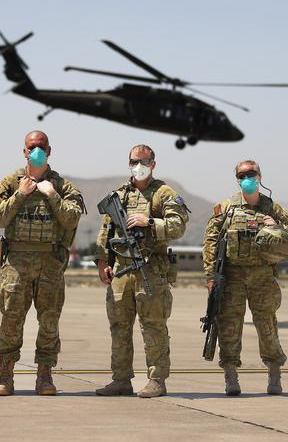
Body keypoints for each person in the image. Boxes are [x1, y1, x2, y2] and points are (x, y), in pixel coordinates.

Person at [0, 131, 83, 396]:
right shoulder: (10, 183)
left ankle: (45, 376)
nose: (36, 151)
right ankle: (5, 376)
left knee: (49, 321)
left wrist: (52, 195)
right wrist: (20, 194)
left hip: (50, 263)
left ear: (49, 150)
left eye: (41, 146)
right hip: (16, 263)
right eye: (32, 147)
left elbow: (72, 219)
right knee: (11, 320)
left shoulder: (63, 186)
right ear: (24, 151)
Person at [94, 144, 189, 398]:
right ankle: (121, 379)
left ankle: (157, 380)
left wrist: (149, 222)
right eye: (134, 161)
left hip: (151, 270)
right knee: (119, 327)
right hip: (121, 271)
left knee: (153, 326)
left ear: (153, 164)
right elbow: (106, 231)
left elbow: (178, 226)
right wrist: (103, 262)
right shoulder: (120, 195)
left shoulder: (164, 193)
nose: (139, 166)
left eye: (144, 161)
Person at [202, 160, 288, 396]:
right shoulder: (225, 208)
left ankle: (274, 374)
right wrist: (211, 276)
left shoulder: (274, 209)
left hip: (262, 278)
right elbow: (211, 243)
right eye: (242, 175)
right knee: (229, 327)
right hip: (231, 277)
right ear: (237, 178)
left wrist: (275, 228)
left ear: (260, 176)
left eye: (251, 173)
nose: (247, 177)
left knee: (266, 326)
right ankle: (231, 376)